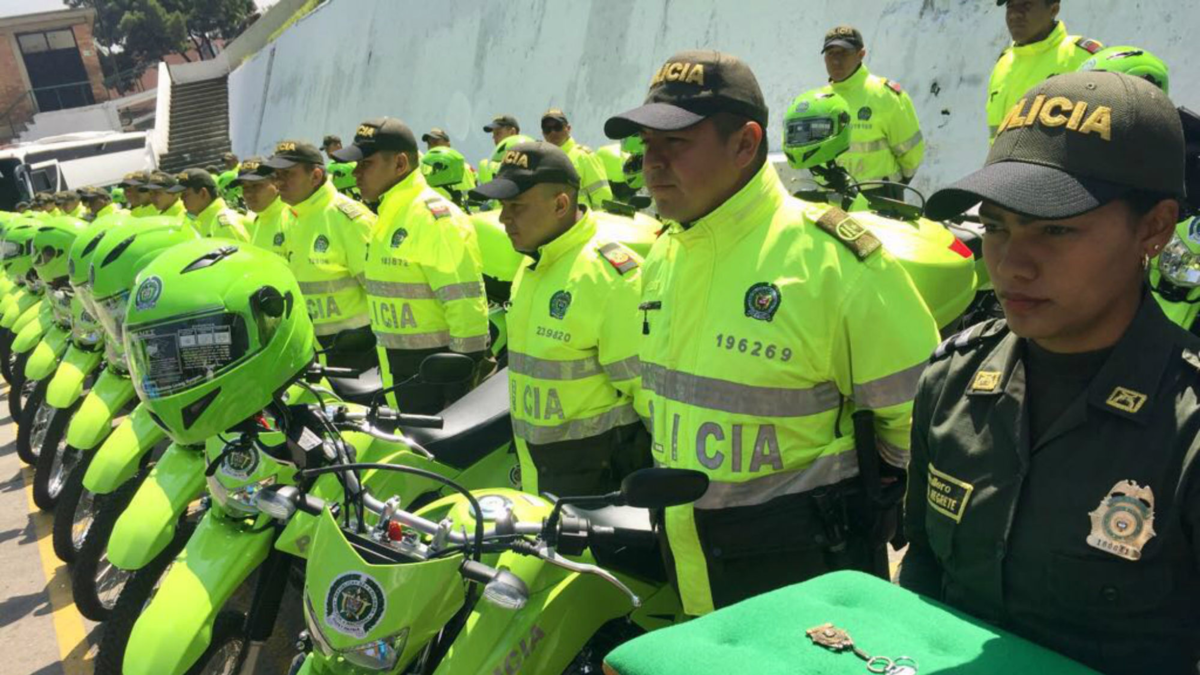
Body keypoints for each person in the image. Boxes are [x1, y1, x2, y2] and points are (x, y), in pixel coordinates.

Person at [604, 50, 940, 617]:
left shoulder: (831, 260)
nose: (651, 164)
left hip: (800, 582)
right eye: (647, 144)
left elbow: (918, 422)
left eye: (676, 143)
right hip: (688, 560)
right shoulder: (665, 254)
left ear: (745, 144)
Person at [902, 72, 1199, 675]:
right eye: (996, 227)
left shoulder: (1186, 431)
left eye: (1056, 229)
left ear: (1154, 227)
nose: (1012, 264)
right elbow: (925, 575)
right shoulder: (952, 382)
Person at [472, 141, 648, 496]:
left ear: (560, 205)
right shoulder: (534, 264)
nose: (503, 218)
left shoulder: (611, 278)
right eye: (503, 206)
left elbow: (651, 398)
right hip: (542, 472)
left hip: (597, 485)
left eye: (516, 206)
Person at [335, 118, 490, 413]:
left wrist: (458, 392)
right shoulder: (391, 213)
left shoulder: (433, 219)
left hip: (437, 380)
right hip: (404, 372)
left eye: (365, 164)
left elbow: (466, 310)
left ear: (400, 164)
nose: (355, 173)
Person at [265, 140, 377, 372]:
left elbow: (380, 291)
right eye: (276, 175)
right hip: (309, 348)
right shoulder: (287, 217)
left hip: (358, 350)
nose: (279, 182)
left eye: (288, 174)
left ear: (315, 176)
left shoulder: (348, 219)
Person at [820, 26, 924, 198]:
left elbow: (911, 152)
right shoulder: (818, 101)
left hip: (881, 199)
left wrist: (895, 186)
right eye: (831, 53)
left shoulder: (885, 95)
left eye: (844, 53)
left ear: (861, 54)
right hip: (832, 201)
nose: (836, 60)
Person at [987, 0, 1101, 143]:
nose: (1015, 14)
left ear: (1053, 9)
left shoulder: (1083, 57)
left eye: (1026, 5)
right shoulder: (1002, 65)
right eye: (1010, 6)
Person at [540, 108, 615, 210]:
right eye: (547, 129)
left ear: (568, 128)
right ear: (543, 133)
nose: (553, 132)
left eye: (557, 127)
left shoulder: (585, 156)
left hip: (582, 220)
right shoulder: (541, 161)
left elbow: (602, 196)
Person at [169, 168, 251, 240]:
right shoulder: (204, 221)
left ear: (203, 193)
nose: (182, 199)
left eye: (185, 195)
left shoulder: (224, 225)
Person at [235, 156, 291, 257]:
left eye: (256, 186)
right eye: (245, 187)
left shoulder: (291, 218)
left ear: (276, 184)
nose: (248, 194)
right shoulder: (259, 220)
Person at [420, 128, 476, 207]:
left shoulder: (465, 168)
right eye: (429, 143)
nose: (432, 146)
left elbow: (473, 197)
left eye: (435, 142)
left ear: (448, 144)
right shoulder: (424, 171)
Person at [480, 115, 534, 184]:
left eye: (498, 133)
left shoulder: (531, 158)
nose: (494, 138)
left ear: (512, 132)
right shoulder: (488, 165)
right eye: (493, 134)